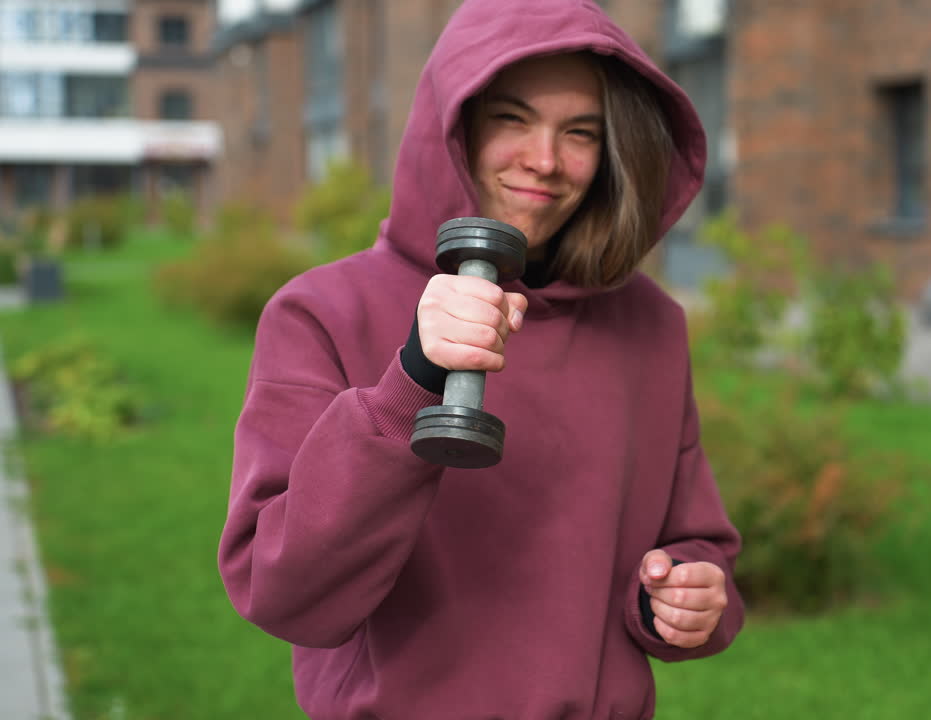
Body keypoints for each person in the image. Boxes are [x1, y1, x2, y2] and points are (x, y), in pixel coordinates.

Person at [217, 0, 745, 717]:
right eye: (512, 118)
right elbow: (282, 589)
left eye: (581, 133)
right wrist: (412, 380)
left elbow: (695, 544)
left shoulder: (650, 325)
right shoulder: (323, 311)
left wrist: (685, 594)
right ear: (451, 127)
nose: (546, 160)